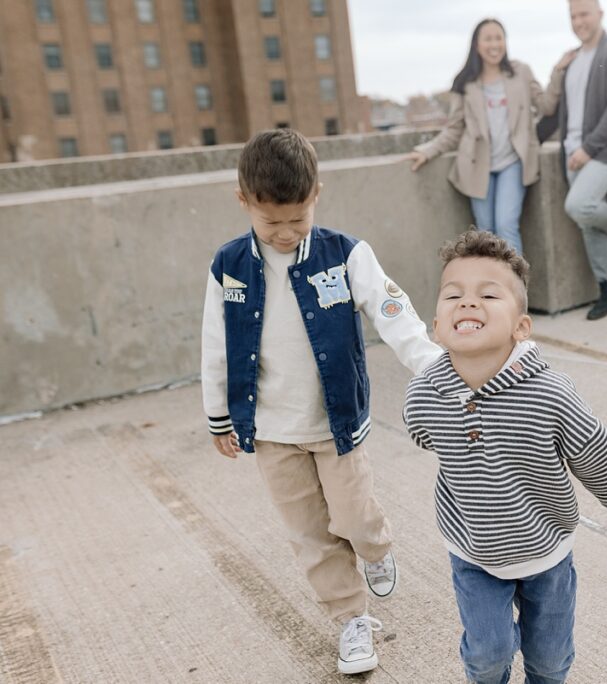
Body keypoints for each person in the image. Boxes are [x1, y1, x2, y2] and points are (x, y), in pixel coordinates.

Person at [200, 129, 442, 674]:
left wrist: (432, 365)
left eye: (297, 219)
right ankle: (351, 619)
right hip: (270, 431)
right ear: (244, 202)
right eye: (271, 222)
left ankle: (375, 549)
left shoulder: (346, 254)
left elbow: (391, 310)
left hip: (335, 425)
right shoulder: (228, 266)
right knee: (309, 534)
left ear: (316, 196)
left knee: (353, 518)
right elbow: (214, 344)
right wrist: (220, 415)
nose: (285, 233)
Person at [403, 230, 607, 683]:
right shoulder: (424, 395)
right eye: (452, 295)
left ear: (521, 327)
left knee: (550, 659)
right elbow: (423, 434)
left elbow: (596, 453)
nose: (467, 303)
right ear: (437, 327)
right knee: (488, 655)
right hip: (473, 549)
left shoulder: (549, 393)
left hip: (546, 549)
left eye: (488, 294)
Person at [406, 18, 575, 256]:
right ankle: (492, 292)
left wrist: (558, 72)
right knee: (485, 233)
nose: (494, 44)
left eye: (499, 38)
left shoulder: (521, 72)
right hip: (477, 166)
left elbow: (546, 106)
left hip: (513, 162)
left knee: (507, 226)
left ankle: (516, 291)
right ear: (477, 45)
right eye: (488, 39)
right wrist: (427, 150)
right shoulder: (465, 83)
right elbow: (454, 128)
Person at [559, 0, 607, 320]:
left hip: (603, 151)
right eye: (573, 16)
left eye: (584, 14)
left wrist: (588, 149)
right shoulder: (573, 59)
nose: (579, 21)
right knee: (586, 221)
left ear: (600, 14)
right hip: (571, 151)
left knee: (578, 206)